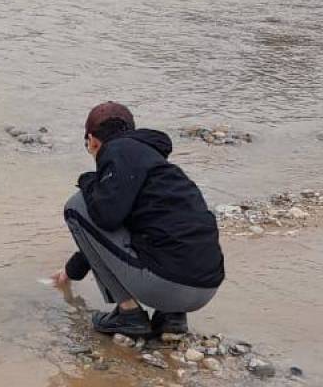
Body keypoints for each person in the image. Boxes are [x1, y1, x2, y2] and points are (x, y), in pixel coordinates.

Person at [52, 102, 224, 336]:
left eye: (89, 147)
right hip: (206, 287)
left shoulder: (116, 152)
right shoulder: (159, 167)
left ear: (92, 140)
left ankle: (128, 314)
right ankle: (172, 319)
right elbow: (109, 239)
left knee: (77, 205)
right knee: (159, 228)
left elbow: (103, 219)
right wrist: (70, 272)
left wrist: (88, 181)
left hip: (167, 286)